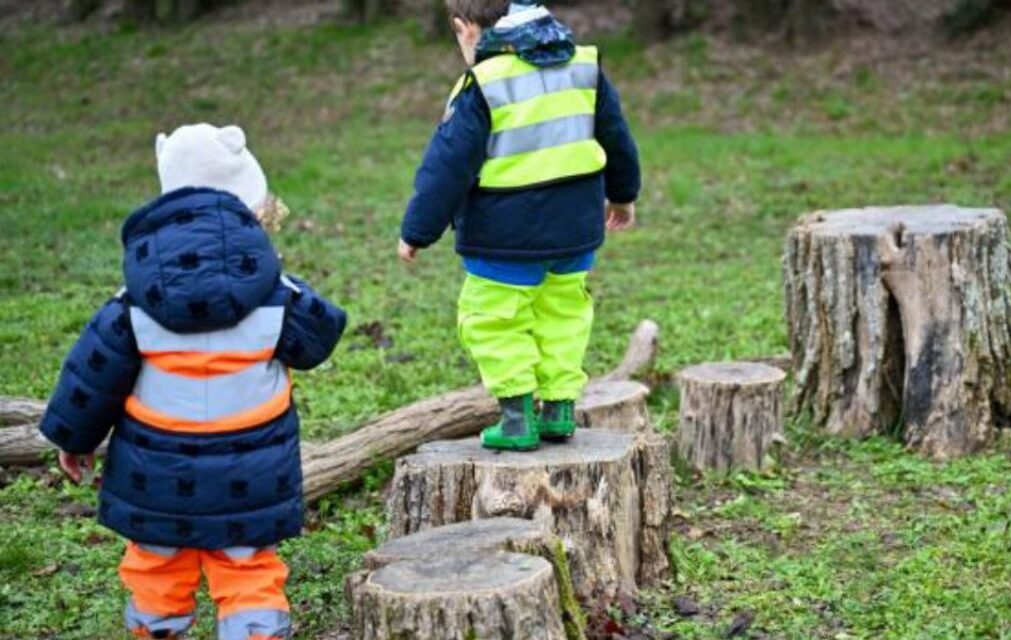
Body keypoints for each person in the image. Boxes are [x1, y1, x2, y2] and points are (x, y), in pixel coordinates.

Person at [38, 123, 347, 639]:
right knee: (247, 568)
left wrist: (74, 438)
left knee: (156, 566)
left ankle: (157, 628)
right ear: (251, 202)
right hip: (252, 469)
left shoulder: (133, 297)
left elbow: (93, 373)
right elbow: (318, 339)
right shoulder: (273, 291)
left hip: (154, 472)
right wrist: (288, 282)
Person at [398, 0, 641, 451]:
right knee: (564, 315)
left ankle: (515, 418)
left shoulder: (483, 84)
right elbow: (617, 137)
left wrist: (417, 231)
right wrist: (623, 195)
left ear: (465, 28)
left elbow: (447, 167)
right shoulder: (584, 67)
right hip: (575, 231)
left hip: (502, 237)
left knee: (494, 321)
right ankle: (559, 410)